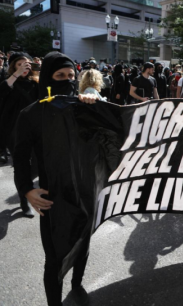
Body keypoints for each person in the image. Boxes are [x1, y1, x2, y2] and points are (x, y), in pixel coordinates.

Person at [14, 51, 97, 306]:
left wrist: (92, 104)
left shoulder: (85, 109)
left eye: (72, 76)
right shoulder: (30, 114)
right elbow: (20, 158)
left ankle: (77, 284)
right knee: (54, 258)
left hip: (85, 191)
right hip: (52, 197)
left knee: (82, 244)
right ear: (48, 78)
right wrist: (27, 190)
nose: (67, 80)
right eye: (60, 75)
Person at [0, 52, 39, 216]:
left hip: (35, 130)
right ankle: (24, 200)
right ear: (13, 66)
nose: (24, 67)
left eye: (27, 64)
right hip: (13, 131)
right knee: (20, 165)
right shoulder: (8, 83)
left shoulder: (36, 83)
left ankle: (25, 185)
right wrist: (16, 74)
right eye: (20, 64)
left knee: (36, 166)